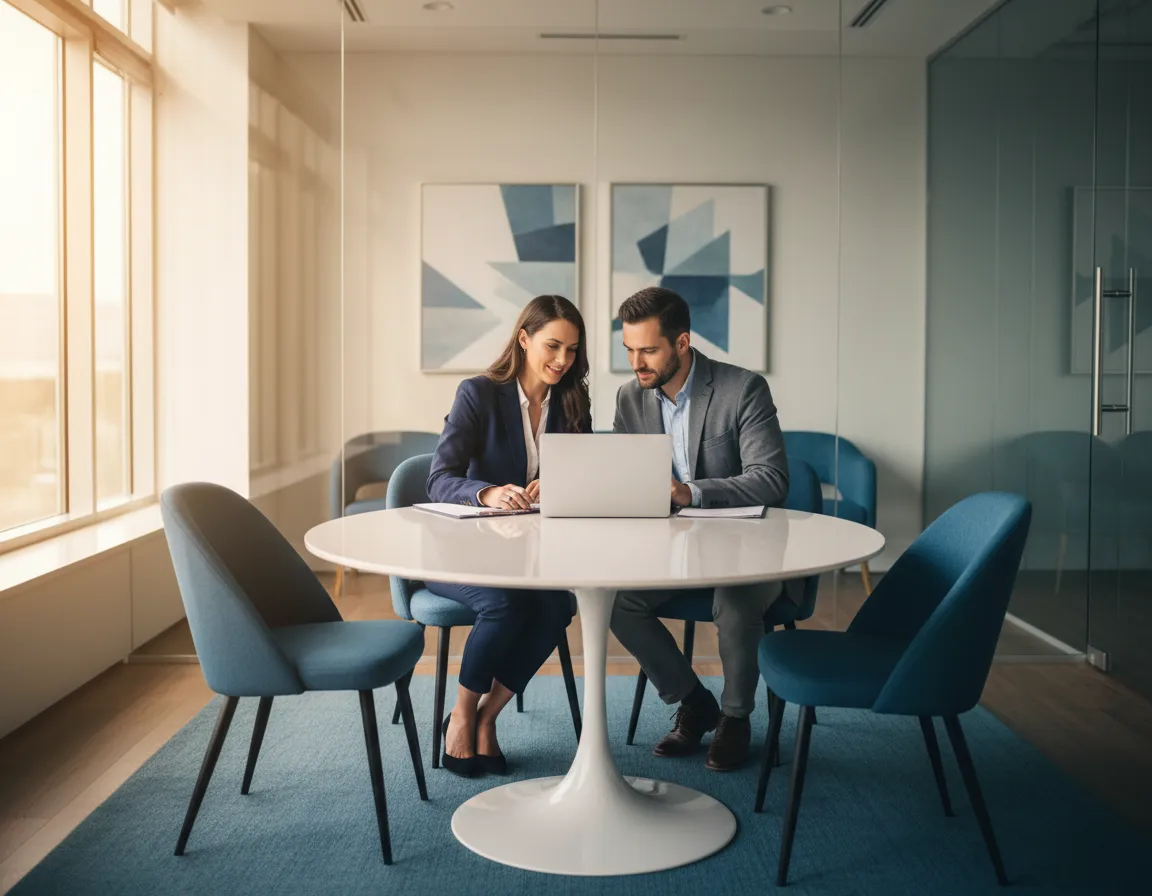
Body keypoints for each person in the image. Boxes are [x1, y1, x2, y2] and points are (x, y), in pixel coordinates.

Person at [610, 286, 790, 772]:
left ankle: (735, 716)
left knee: (733, 603)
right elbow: (625, 477)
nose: (636, 363)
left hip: (745, 548)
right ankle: (694, 701)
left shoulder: (743, 389)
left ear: (683, 343)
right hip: (670, 551)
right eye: (629, 349)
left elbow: (771, 479)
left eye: (648, 350)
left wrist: (691, 491)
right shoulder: (630, 399)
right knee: (616, 602)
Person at [426, 294, 592, 777]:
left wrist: (561, 482)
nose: (563, 361)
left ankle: (486, 716)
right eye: (553, 346)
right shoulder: (478, 394)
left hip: (531, 554)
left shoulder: (572, 401)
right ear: (524, 339)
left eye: (573, 350)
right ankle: (460, 714)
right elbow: (438, 478)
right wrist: (488, 492)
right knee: (504, 604)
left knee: (558, 604)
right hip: (462, 551)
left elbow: (588, 474)